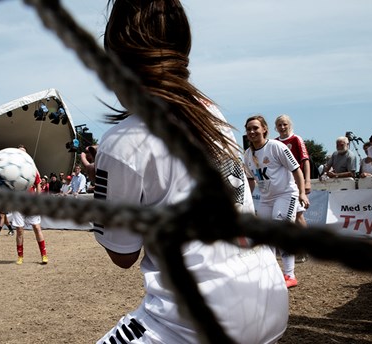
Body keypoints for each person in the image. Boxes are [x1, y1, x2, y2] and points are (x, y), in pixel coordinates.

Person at [90, 2, 288, 343]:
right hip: (267, 295)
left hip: (195, 319)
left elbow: (123, 255)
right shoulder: (213, 116)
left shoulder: (123, 141)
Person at [244, 115, 309, 288]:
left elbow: (296, 169)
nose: (252, 131)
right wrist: (245, 200)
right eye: (249, 129)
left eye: (255, 128)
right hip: (266, 199)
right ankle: (271, 272)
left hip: (286, 194)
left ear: (265, 129)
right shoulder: (248, 154)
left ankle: (289, 275)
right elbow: (251, 180)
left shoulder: (276, 147)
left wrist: (302, 192)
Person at [274, 114, 311, 263]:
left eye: (285, 124)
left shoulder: (296, 139)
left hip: (295, 183)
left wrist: (307, 181)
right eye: (280, 125)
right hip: (281, 185)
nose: (282, 128)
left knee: (297, 216)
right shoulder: (274, 142)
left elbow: (305, 160)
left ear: (290, 125)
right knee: (294, 216)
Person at [13, 145, 48, 265]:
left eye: (24, 152)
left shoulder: (32, 168)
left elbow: (38, 184)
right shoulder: (11, 168)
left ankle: (44, 255)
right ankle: (20, 256)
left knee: (37, 228)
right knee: (19, 230)